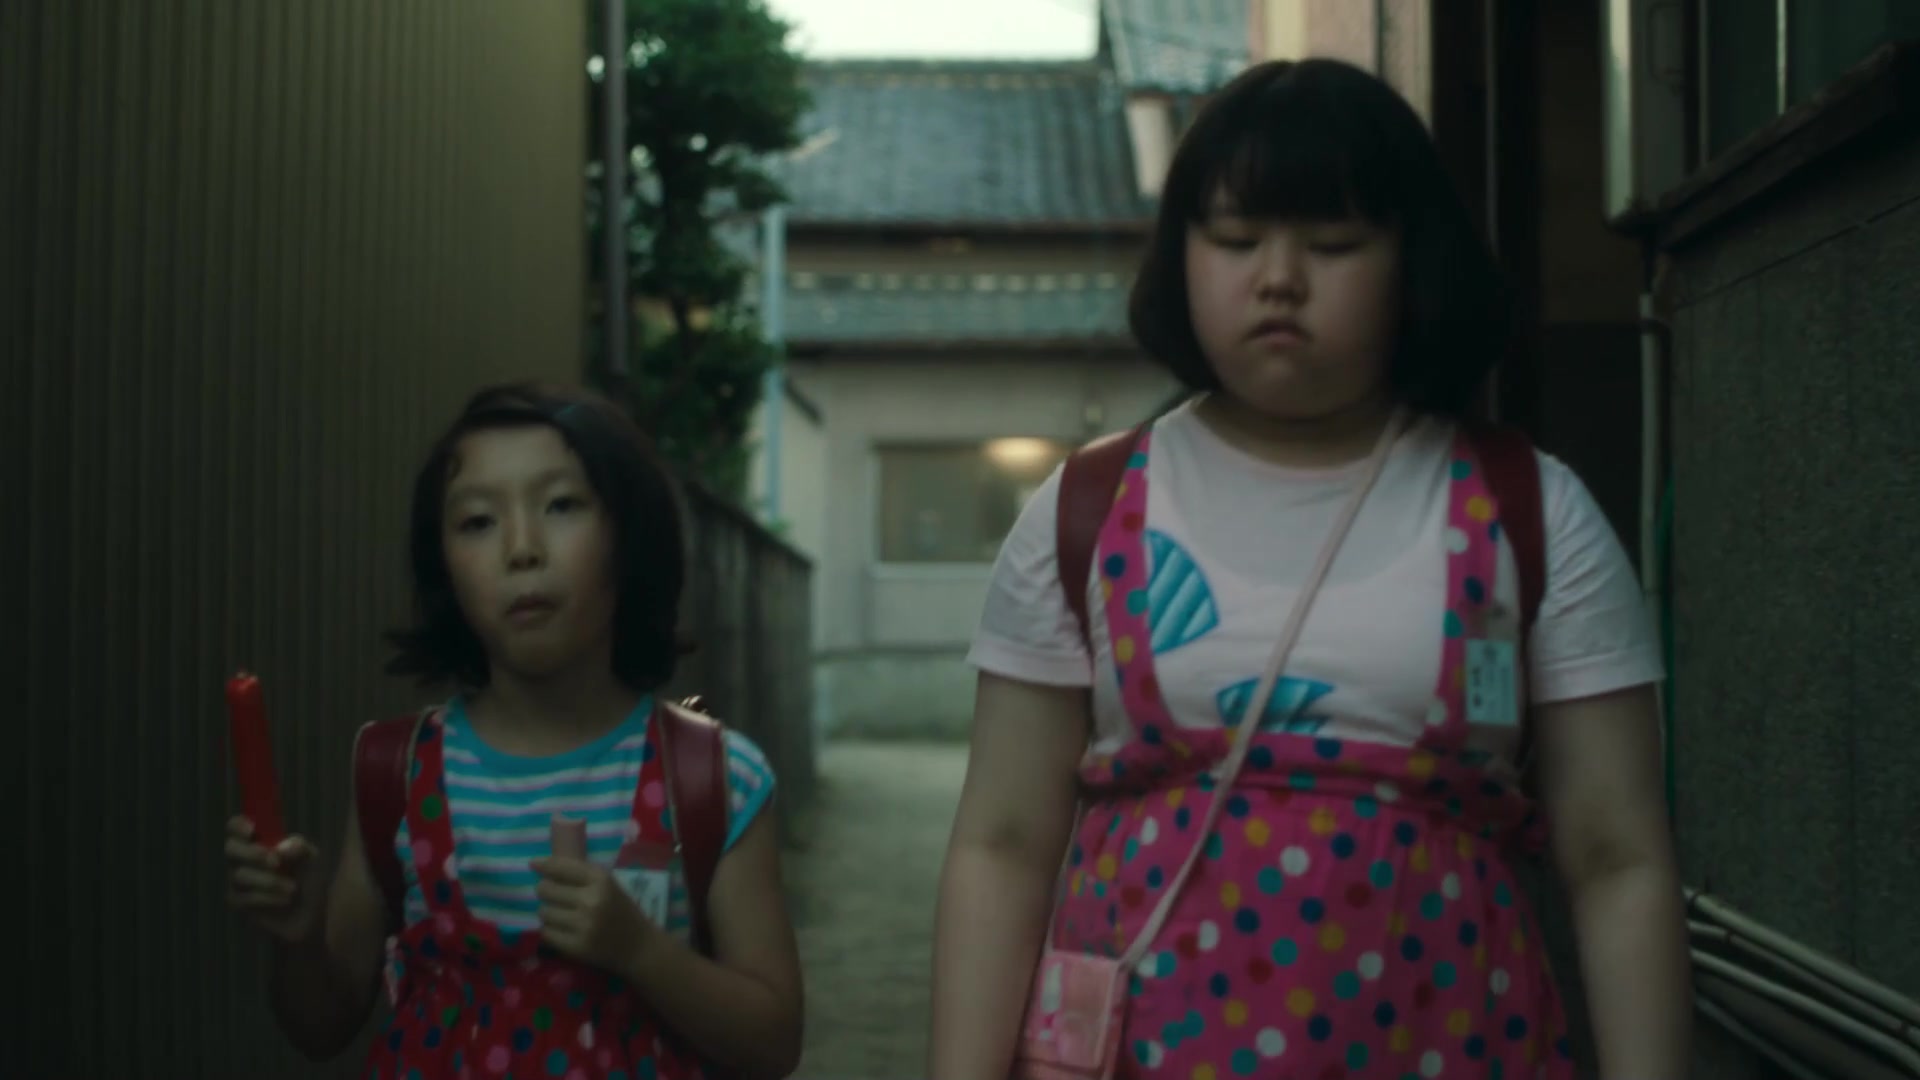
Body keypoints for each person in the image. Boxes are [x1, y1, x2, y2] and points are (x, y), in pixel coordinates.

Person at [930, 59, 1690, 1080]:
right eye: (1235, 239)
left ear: (1412, 260)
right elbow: (1004, 844)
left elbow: (1618, 859)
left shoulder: (1530, 510)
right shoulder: (1086, 513)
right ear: (1180, 254)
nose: (1278, 277)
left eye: (1332, 244)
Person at [224, 383, 804, 1079]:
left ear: (629, 536)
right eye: (477, 521)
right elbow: (321, 1027)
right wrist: (295, 938)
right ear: (443, 567)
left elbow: (774, 1044)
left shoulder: (714, 778)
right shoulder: (395, 771)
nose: (521, 549)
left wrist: (641, 951)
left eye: (561, 505)